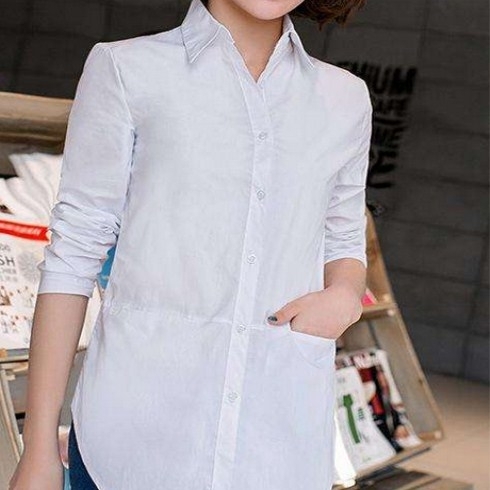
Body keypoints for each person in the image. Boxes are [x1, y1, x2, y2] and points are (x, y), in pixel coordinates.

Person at [9, 0, 372, 488]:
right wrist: (38, 448)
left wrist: (345, 295)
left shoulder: (345, 98)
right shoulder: (126, 69)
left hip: (278, 440)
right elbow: (73, 254)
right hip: (132, 443)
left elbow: (344, 235)